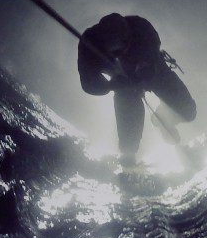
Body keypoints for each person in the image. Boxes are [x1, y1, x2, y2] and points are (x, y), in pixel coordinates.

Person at [77, 13, 196, 167]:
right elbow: (88, 84)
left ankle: (164, 118)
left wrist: (145, 73)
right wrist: (111, 85)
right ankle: (128, 153)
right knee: (128, 146)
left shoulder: (141, 28)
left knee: (188, 112)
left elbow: (154, 48)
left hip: (153, 70)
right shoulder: (89, 46)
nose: (121, 55)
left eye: (123, 49)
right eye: (116, 53)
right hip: (123, 85)